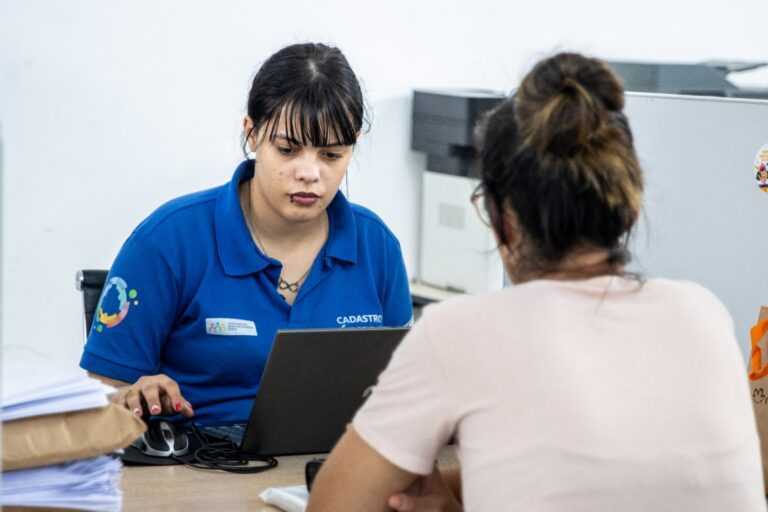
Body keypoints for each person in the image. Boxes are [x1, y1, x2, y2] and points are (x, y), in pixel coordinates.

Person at [307, 52, 765, 511]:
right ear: (627, 209)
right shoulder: (701, 313)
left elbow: (332, 505)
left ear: (504, 219)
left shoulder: (458, 332)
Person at [79, 43, 413, 425]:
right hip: (198, 469)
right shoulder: (168, 241)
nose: (309, 173)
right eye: (287, 149)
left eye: (332, 155)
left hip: (330, 467)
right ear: (251, 133)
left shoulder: (377, 248)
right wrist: (133, 394)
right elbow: (101, 396)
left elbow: (401, 395)